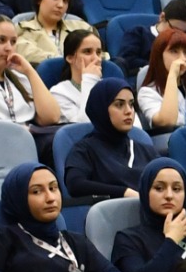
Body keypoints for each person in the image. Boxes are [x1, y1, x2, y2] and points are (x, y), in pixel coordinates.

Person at [110, 159, 186, 272]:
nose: (169, 195)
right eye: (159, 188)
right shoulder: (128, 240)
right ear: (146, 192)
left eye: (176, 189)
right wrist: (171, 241)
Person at [61, 80, 160, 209]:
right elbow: (75, 184)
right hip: (112, 220)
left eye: (131, 104)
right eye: (119, 105)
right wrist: (124, 192)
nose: (129, 111)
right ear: (101, 108)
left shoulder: (146, 150)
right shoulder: (85, 149)